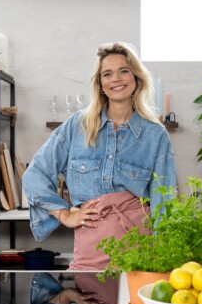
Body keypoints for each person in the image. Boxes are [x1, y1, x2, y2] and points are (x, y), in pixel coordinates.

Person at [23, 42, 176, 270]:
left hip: (140, 249)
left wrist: (163, 260)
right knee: (92, 303)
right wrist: (65, 215)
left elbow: (164, 203)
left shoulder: (156, 135)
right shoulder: (77, 126)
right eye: (108, 74)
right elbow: (34, 175)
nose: (116, 79)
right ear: (101, 84)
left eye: (124, 71)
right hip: (90, 248)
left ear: (136, 79)